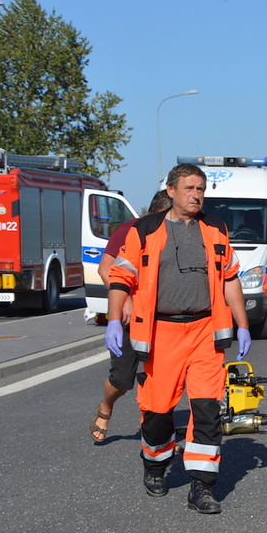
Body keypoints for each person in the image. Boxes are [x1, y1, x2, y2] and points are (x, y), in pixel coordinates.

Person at [106, 163, 252, 514]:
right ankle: (155, 465)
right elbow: (120, 277)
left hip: (204, 332)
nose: (196, 195)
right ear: (170, 190)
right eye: (189, 188)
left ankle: (202, 487)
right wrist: (114, 319)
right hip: (161, 332)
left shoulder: (216, 229)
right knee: (157, 411)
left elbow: (230, 278)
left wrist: (242, 322)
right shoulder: (143, 230)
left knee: (206, 410)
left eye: (201, 189)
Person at [90, 190, 171, 443]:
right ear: (156, 213)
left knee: (159, 378)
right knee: (122, 380)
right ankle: (106, 406)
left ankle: (155, 433)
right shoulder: (129, 229)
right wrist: (125, 300)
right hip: (130, 318)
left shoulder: (180, 232)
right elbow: (106, 269)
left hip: (164, 318)